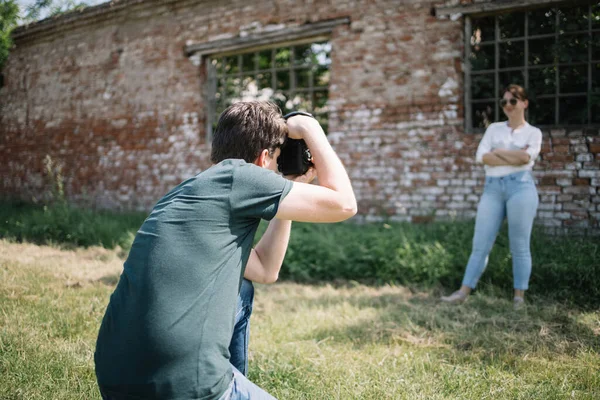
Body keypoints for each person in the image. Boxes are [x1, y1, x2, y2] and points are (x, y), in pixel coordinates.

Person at [94, 101, 357, 400]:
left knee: (242, 288)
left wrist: (289, 189)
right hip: (181, 385)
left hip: (117, 377)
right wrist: (310, 127)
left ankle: (230, 379)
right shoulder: (243, 176)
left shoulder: (191, 191)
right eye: (276, 162)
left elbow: (264, 270)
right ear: (263, 158)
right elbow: (345, 204)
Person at [441, 84, 542, 309]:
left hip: (521, 188)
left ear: (524, 103)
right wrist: (513, 156)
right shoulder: (494, 129)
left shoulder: (533, 133)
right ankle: (463, 292)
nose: (507, 106)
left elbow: (526, 158)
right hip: (493, 188)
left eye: (512, 101)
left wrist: (498, 152)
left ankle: (519, 298)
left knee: (520, 245)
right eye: (504, 102)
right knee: (480, 243)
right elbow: (481, 157)